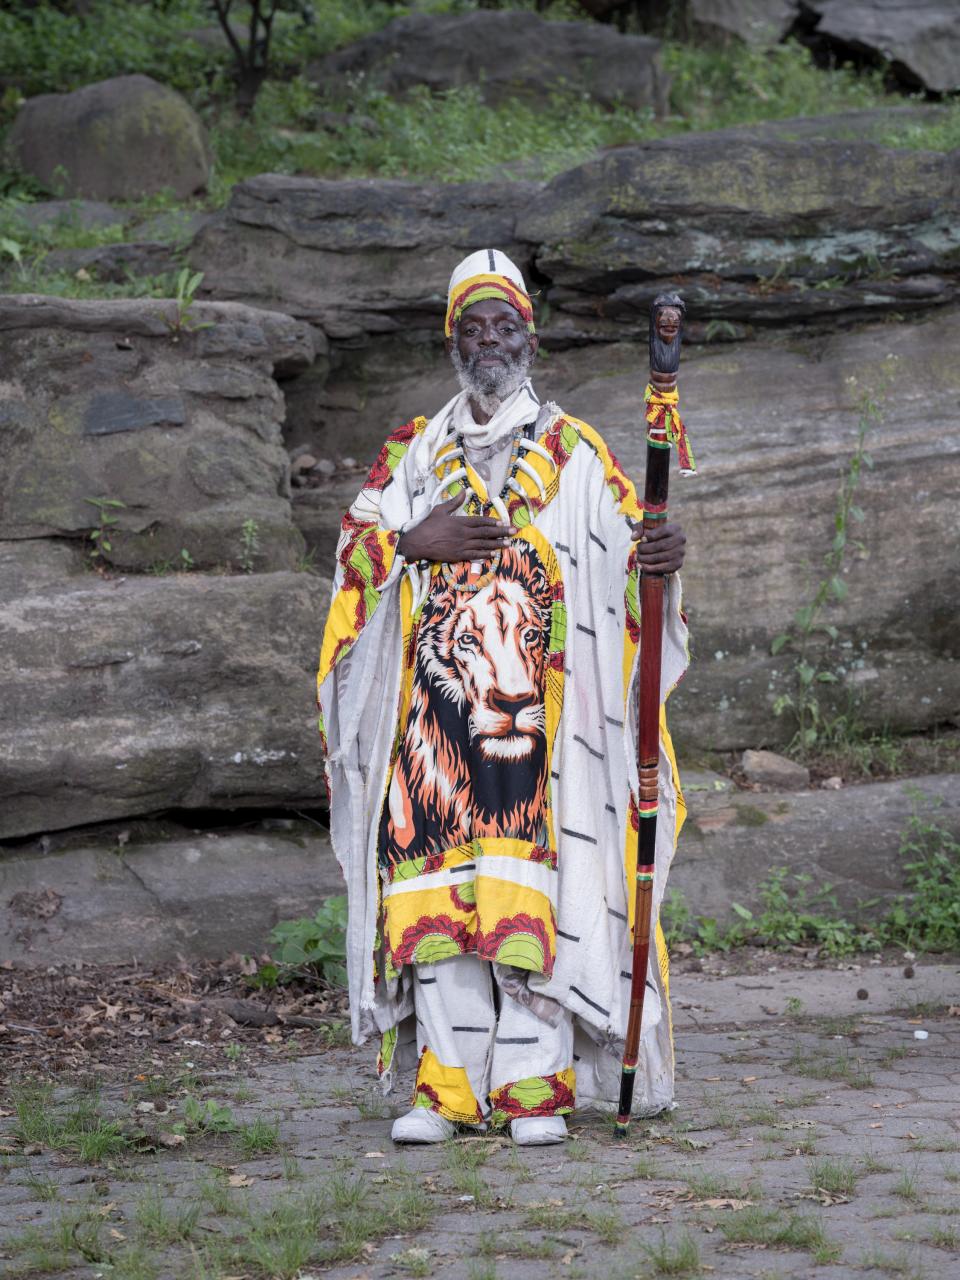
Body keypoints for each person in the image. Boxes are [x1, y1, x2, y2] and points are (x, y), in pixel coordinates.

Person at [317, 249, 688, 1146]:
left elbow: (628, 552)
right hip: (433, 731)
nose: (491, 341)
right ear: (454, 341)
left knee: (538, 896)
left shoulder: (574, 451)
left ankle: (534, 1087)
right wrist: (413, 539)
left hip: (541, 734)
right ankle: (445, 1089)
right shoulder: (411, 453)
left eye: (505, 325)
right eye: (474, 327)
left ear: (531, 337)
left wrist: (657, 564)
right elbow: (353, 557)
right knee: (437, 892)